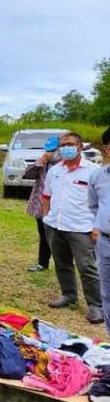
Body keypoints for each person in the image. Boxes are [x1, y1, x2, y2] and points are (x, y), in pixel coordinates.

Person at [42, 132, 103, 324]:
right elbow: (46, 196)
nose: (65, 148)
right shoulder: (55, 170)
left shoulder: (94, 171)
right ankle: (69, 295)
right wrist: (46, 217)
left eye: (70, 144)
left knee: (87, 267)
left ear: (80, 146)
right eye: (62, 145)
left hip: (82, 227)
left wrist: (98, 227)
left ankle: (96, 305)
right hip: (55, 225)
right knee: (62, 264)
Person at [24, 136, 60, 272]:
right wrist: (39, 162)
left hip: (59, 206)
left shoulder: (63, 165)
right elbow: (28, 174)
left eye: (53, 150)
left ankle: (62, 264)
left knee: (60, 237)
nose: (49, 153)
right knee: (44, 235)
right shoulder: (43, 163)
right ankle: (42, 263)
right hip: (41, 205)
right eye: (48, 150)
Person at [89, 125, 110, 333]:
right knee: (107, 295)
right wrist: (97, 226)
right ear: (107, 150)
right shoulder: (98, 177)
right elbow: (94, 206)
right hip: (105, 242)